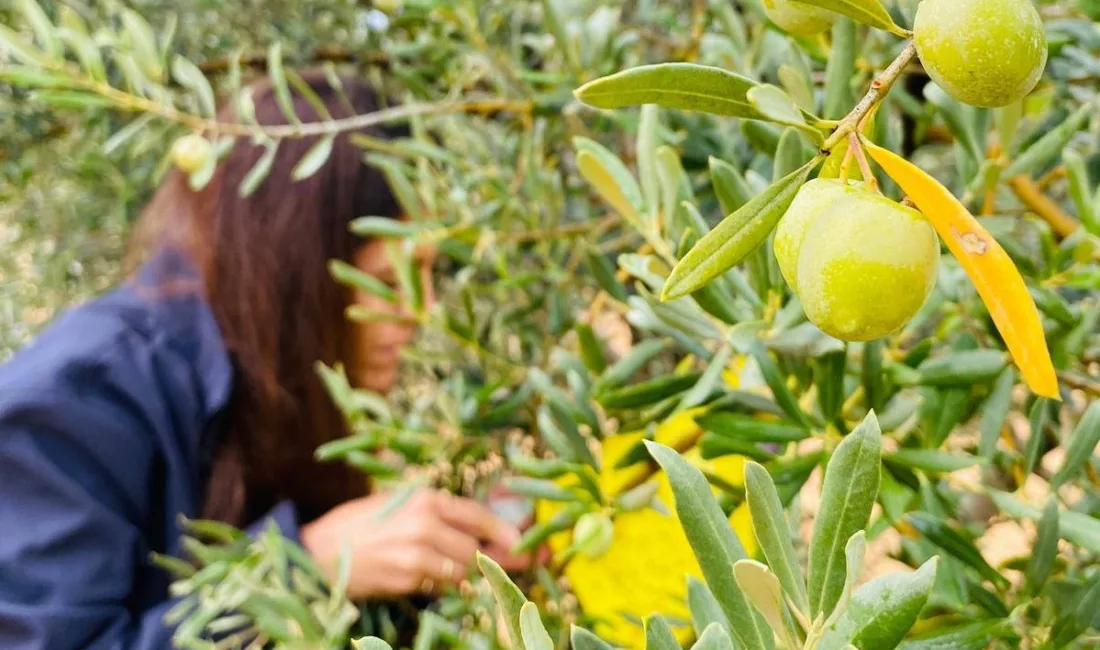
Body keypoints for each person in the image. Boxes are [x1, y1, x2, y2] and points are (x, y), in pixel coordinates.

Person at [0, 74, 531, 649]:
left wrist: (446, 556)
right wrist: (303, 567)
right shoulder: (71, 406)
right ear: (293, 280)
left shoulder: (272, 376)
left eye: (429, 270)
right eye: (386, 279)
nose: (421, 311)